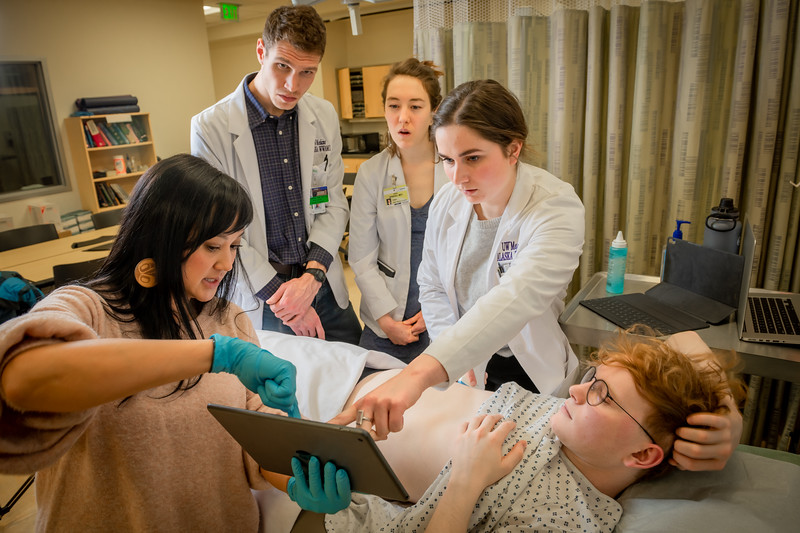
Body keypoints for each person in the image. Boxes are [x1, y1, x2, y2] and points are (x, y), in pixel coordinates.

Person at [333, 79, 744, 472]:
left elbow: (515, 298)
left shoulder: (555, 208)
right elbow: (434, 287)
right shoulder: (448, 202)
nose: (457, 177)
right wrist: (456, 357)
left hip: (528, 368)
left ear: (513, 150)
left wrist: (417, 375)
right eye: (447, 160)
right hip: (463, 363)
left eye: (473, 158)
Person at [0, 154, 347, 531]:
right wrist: (214, 355)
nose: (227, 264)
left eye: (235, 246)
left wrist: (298, 480)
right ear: (160, 238)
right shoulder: (86, 310)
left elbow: (256, 448)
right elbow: (24, 377)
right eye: (213, 246)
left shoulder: (228, 319)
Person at [320, 331, 746, 532]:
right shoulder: (574, 425)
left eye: (601, 394)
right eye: (592, 376)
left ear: (641, 456)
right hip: (370, 372)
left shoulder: (564, 519)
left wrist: (466, 481)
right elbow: (688, 340)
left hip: (331, 429)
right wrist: (727, 410)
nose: (576, 390)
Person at [191, 5, 361, 344]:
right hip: (264, 296)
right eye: (282, 66)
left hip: (321, 282)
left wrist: (312, 277)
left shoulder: (323, 114)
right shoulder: (211, 127)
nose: (292, 85)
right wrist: (286, 300)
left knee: (361, 378)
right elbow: (220, 229)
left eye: (307, 72)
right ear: (260, 52)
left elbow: (332, 202)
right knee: (282, 392)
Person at [348, 58, 448, 364]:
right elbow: (362, 258)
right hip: (385, 322)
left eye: (415, 107)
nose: (403, 117)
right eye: (394, 106)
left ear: (434, 111)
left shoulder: (454, 168)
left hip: (444, 318)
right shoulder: (372, 172)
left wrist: (435, 312)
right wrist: (387, 320)